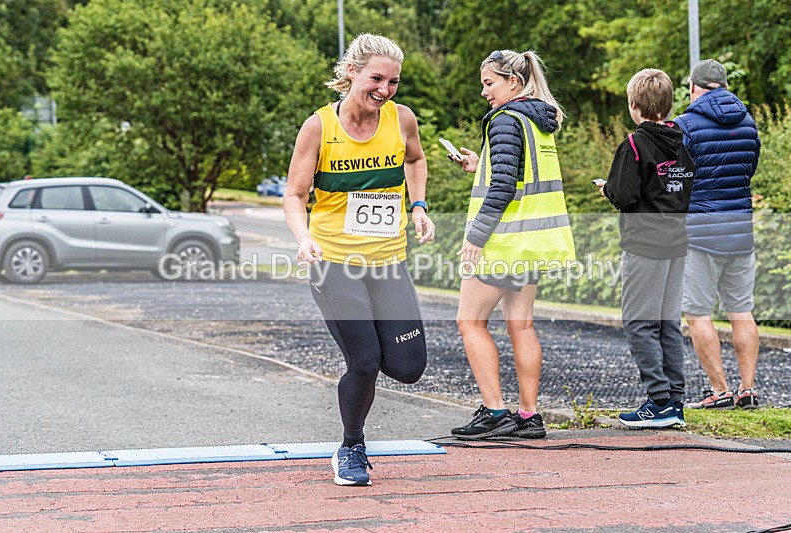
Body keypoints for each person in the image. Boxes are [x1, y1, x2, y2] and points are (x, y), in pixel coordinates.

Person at [283, 34, 435, 486]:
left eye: (393, 82)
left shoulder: (401, 119)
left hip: (388, 262)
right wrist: (303, 237)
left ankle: (372, 351)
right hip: (335, 263)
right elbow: (294, 195)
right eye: (376, 79)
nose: (385, 90)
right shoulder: (319, 127)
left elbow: (417, 159)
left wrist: (419, 205)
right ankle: (351, 446)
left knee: (408, 368)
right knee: (365, 362)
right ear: (352, 72)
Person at [448, 50, 575, 439]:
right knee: (521, 325)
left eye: (490, 83)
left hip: (503, 243)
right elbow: (516, 173)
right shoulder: (539, 119)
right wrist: (479, 163)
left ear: (513, 83)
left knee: (469, 321)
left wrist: (475, 237)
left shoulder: (505, 120)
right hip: (532, 242)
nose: (484, 91)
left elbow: (503, 187)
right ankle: (528, 416)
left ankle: (494, 411)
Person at [600, 69, 694, 428]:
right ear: (669, 104)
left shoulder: (634, 144)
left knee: (639, 323)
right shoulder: (681, 143)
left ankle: (657, 400)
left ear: (634, 105)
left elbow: (623, 194)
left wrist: (606, 188)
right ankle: (675, 401)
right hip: (676, 243)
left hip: (645, 244)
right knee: (668, 323)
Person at [674, 59, 761, 410]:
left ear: (694, 88)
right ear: (724, 86)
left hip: (700, 232)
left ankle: (720, 390)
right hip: (740, 229)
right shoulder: (749, 122)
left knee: (697, 313)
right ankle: (748, 389)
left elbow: (676, 179)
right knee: (741, 310)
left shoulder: (684, 125)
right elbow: (748, 171)